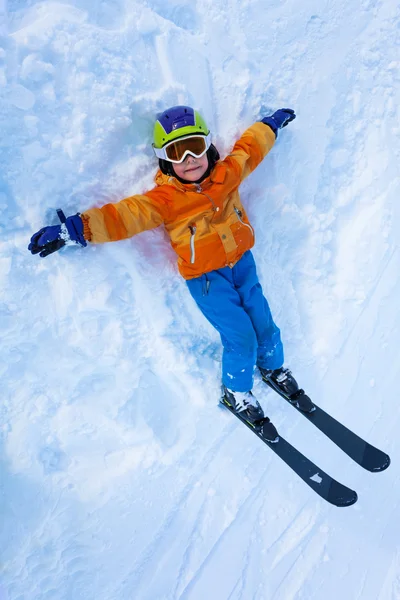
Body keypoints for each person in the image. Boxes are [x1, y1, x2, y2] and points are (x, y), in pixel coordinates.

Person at [28, 105, 314, 442]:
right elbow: (123, 217)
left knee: (264, 322)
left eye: (194, 146)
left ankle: (273, 366)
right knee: (241, 336)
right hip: (208, 281)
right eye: (178, 152)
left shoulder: (227, 173)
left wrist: (270, 125)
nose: (190, 158)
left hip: (243, 265)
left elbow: (250, 150)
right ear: (166, 159)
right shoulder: (164, 200)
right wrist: (73, 229)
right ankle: (236, 391)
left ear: (207, 147)